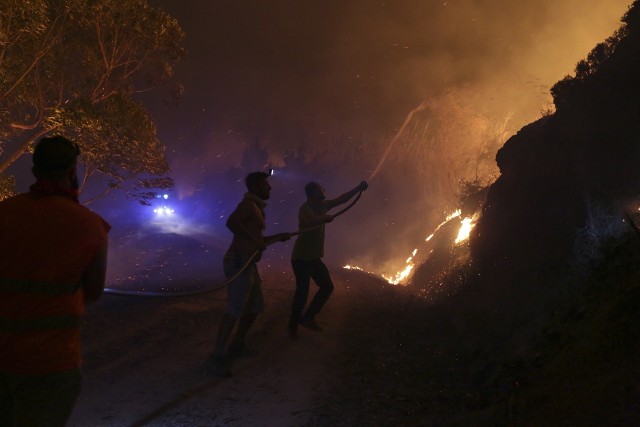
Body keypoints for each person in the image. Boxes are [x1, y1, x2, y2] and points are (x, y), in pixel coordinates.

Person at [0, 136, 110, 427]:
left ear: (35, 170)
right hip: (50, 362)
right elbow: (95, 292)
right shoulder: (90, 225)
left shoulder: (4, 213)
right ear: (73, 171)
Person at [211, 171, 290, 376]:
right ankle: (217, 354)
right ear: (256, 187)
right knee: (235, 308)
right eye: (266, 184)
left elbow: (256, 239)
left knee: (254, 307)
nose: (270, 188)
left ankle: (237, 344)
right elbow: (232, 223)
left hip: (248, 263)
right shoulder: (247, 205)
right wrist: (256, 241)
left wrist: (277, 237)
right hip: (238, 261)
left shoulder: (256, 208)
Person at [288, 180, 368, 339]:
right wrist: (324, 218)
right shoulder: (306, 209)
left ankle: (308, 317)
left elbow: (342, 199)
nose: (324, 191)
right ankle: (293, 325)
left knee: (327, 286)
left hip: (313, 258)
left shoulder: (323, 205)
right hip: (301, 258)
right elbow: (311, 221)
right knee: (302, 293)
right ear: (313, 194)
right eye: (320, 189)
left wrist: (358, 188)